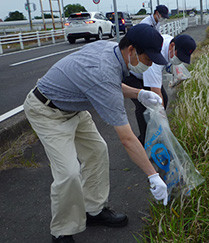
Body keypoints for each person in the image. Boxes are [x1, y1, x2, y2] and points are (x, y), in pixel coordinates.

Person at [23, 24, 169, 243]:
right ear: (131, 50)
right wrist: (153, 175)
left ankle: (93, 210)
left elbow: (107, 82)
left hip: (73, 107)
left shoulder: (110, 50)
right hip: (46, 110)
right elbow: (127, 138)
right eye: (148, 59)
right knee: (69, 173)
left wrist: (138, 94)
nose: (149, 65)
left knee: (98, 151)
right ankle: (62, 230)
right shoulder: (103, 70)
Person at [123, 34, 196, 145]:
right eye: (179, 56)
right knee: (144, 105)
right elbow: (156, 92)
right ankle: (145, 141)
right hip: (131, 74)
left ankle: (154, 132)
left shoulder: (170, 43)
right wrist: (163, 123)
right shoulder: (156, 57)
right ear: (172, 45)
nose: (178, 60)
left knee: (164, 99)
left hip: (146, 74)